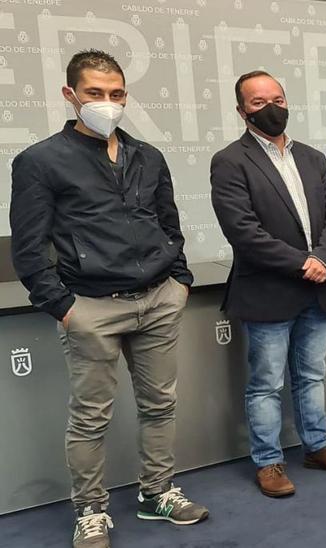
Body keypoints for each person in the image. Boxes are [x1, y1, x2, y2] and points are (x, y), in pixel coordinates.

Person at [9, 49, 209, 548]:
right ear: (70, 96)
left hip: (159, 298)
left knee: (161, 404)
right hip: (91, 307)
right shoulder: (39, 161)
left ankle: (156, 493)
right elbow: (29, 246)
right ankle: (91, 510)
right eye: (95, 93)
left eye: (116, 93)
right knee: (90, 416)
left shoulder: (148, 156)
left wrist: (179, 279)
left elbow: (168, 223)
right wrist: (62, 306)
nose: (107, 103)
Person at [210, 71, 326, 498]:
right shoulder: (230, 161)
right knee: (266, 384)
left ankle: (316, 446)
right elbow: (243, 231)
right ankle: (269, 461)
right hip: (267, 291)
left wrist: (324, 260)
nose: (271, 107)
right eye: (258, 102)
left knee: (311, 376)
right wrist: (304, 263)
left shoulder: (313, 158)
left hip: (317, 289)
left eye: (277, 98)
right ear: (242, 111)